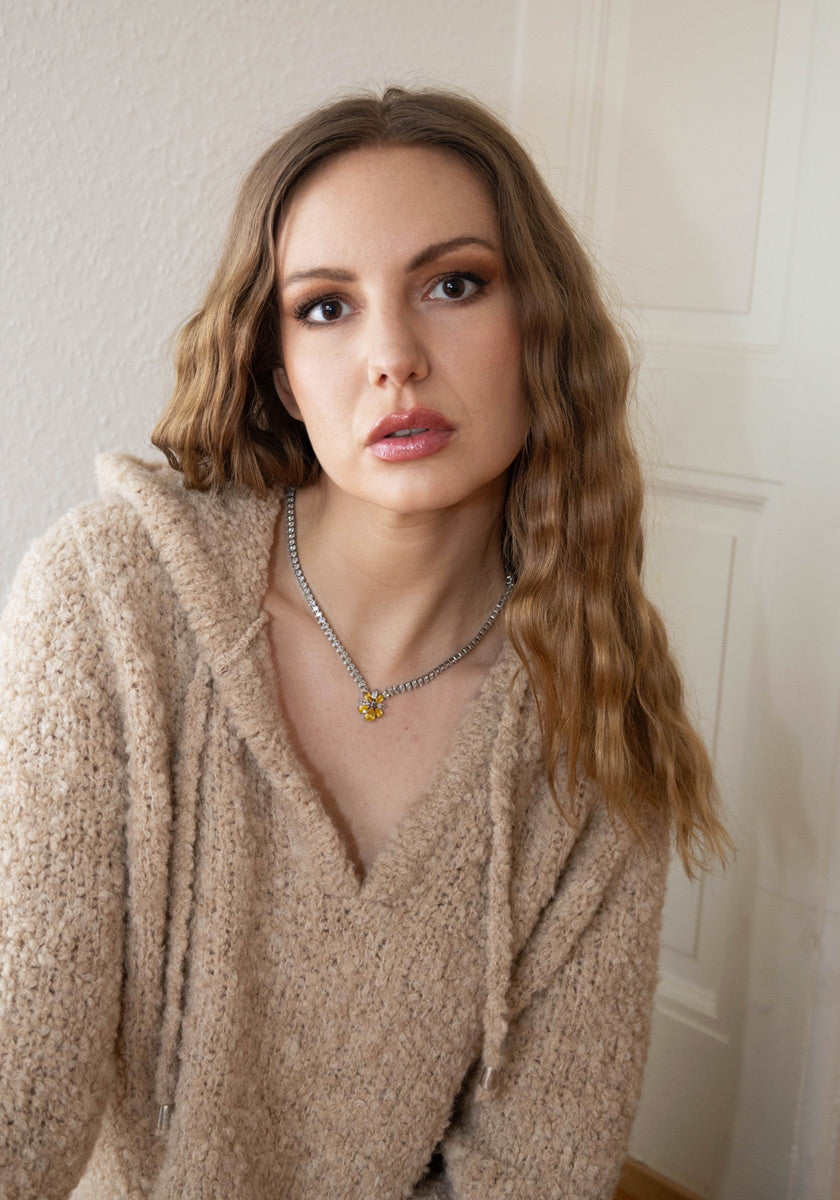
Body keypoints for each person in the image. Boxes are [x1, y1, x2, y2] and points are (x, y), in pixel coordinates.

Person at [0, 87, 729, 1199]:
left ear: (541, 325)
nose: (394, 356)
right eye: (327, 307)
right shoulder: (109, 606)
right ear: (280, 371)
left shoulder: (596, 707)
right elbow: (23, 1092)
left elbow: (536, 1170)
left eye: (453, 284)